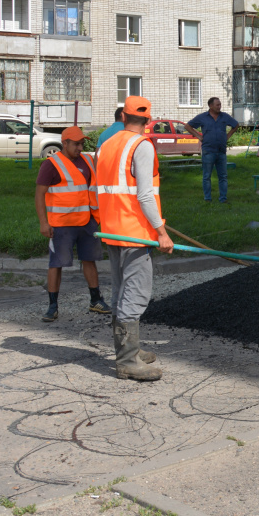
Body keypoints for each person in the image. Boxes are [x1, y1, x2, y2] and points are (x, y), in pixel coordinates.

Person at [96, 96, 174, 382]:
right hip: (135, 232)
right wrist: (161, 232)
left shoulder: (106, 145)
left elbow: (102, 190)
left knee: (119, 292)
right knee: (136, 292)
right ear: (148, 119)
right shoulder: (141, 146)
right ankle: (127, 361)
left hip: (113, 230)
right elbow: (144, 195)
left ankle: (130, 350)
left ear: (123, 116)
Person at [34, 126, 109, 322]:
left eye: (82, 143)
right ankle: (52, 306)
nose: (80, 147)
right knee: (56, 264)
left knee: (89, 260)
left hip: (86, 222)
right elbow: (39, 195)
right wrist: (44, 223)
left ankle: (95, 300)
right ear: (64, 143)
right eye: (76, 144)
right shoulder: (51, 165)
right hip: (61, 224)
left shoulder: (86, 160)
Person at [187, 97, 239, 203]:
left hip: (221, 151)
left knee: (223, 176)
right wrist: (198, 136)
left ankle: (223, 198)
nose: (219, 107)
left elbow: (236, 125)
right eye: (217, 105)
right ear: (210, 106)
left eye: (220, 104)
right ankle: (207, 199)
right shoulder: (202, 117)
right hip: (208, 151)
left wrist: (227, 136)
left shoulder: (224, 116)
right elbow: (188, 126)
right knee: (207, 176)